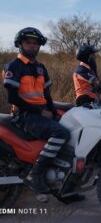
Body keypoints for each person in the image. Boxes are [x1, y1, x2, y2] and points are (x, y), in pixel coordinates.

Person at [2, 27, 69, 193]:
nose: (32, 46)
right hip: (25, 116)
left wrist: (54, 112)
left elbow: (47, 96)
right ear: (20, 44)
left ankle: (65, 182)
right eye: (28, 42)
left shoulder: (41, 68)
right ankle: (35, 174)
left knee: (71, 128)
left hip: (41, 113)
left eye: (35, 43)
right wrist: (40, 112)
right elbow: (13, 98)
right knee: (61, 134)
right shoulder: (14, 66)